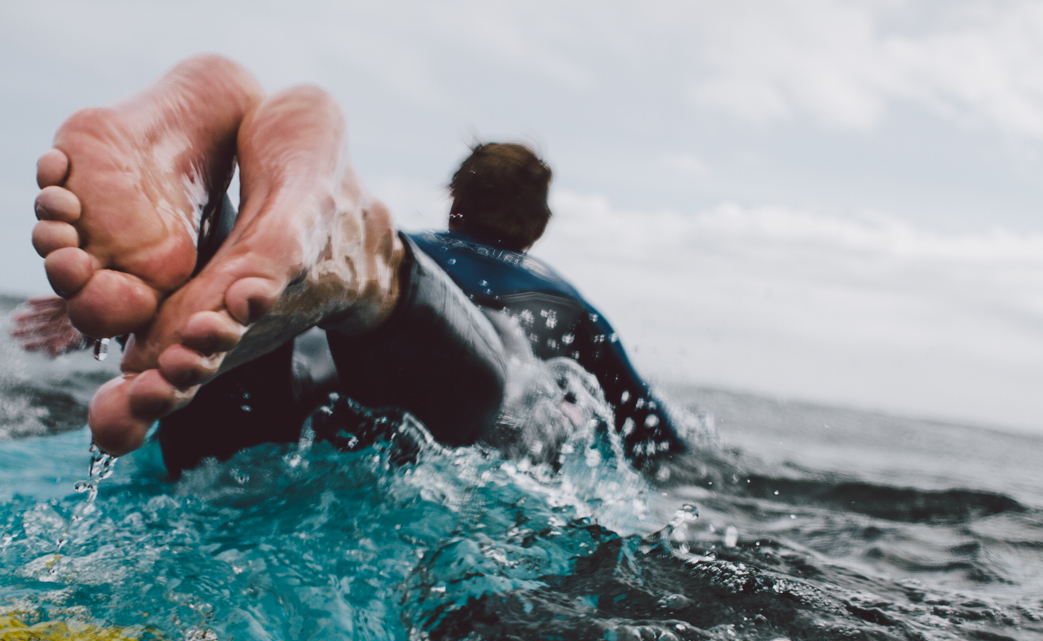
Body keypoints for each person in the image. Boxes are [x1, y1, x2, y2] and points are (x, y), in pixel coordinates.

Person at [20, 55, 684, 476]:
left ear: (455, 202)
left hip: (308, 394)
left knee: (230, 426)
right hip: (432, 394)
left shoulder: (400, 239)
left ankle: (206, 223)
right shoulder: (565, 305)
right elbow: (653, 443)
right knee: (506, 385)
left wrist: (84, 317)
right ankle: (381, 275)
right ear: (536, 224)